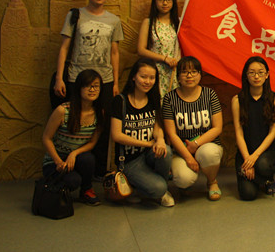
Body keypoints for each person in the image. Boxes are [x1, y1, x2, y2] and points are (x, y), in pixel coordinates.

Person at [54, 0, 123, 177]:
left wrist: (115, 82)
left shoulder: (114, 20)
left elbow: (115, 52)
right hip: (77, 78)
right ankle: (70, 166)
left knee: (103, 123)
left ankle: (98, 170)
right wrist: (59, 78)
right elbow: (64, 48)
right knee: (74, 121)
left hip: (105, 80)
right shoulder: (75, 15)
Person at [110, 58, 174, 207]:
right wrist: (147, 143)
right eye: (143, 77)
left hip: (148, 154)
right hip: (129, 161)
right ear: (134, 77)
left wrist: (160, 140)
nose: (147, 81)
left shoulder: (152, 99)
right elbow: (116, 135)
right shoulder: (121, 101)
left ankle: (159, 190)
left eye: (152, 78)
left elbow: (157, 126)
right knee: (158, 188)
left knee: (166, 151)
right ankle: (144, 187)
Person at [162, 56, 224, 200]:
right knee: (183, 179)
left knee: (209, 154)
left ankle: (212, 182)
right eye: (184, 72)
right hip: (181, 150)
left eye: (194, 72)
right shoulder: (170, 99)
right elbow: (171, 134)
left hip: (206, 144)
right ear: (178, 76)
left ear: (200, 75)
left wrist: (196, 144)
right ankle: (186, 184)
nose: (189, 76)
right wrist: (188, 157)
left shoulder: (210, 95)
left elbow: (217, 128)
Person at [41, 69, 104, 206]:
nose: (92, 90)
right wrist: (58, 162)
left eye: (96, 86)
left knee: (88, 159)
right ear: (79, 88)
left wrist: (74, 154)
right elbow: (46, 138)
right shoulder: (63, 110)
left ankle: (87, 190)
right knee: (73, 181)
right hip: (55, 161)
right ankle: (53, 185)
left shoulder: (99, 113)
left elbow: (92, 142)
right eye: (87, 86)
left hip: (75, 158)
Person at [231, 56, 275, 201]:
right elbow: (239, 133)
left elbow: (272, 133)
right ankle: (262, 180)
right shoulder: (237, 100)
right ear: (246, 75)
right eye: (252, 73)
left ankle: (266, 177)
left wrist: (254, 158)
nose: (256, 76)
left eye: (260, 72)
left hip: (267, 151)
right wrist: (247, 159)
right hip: (245, 151)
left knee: (263, 165)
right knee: (248, 195)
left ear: (267, 75)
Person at [137, 0, 180, 98]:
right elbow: (141, 50)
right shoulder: (148, 23)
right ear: (155, 2)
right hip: (154, 71)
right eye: (161, 0)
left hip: (174, 71)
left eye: (168, 0)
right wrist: (164, 58)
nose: (165, 3)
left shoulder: (179, 23)